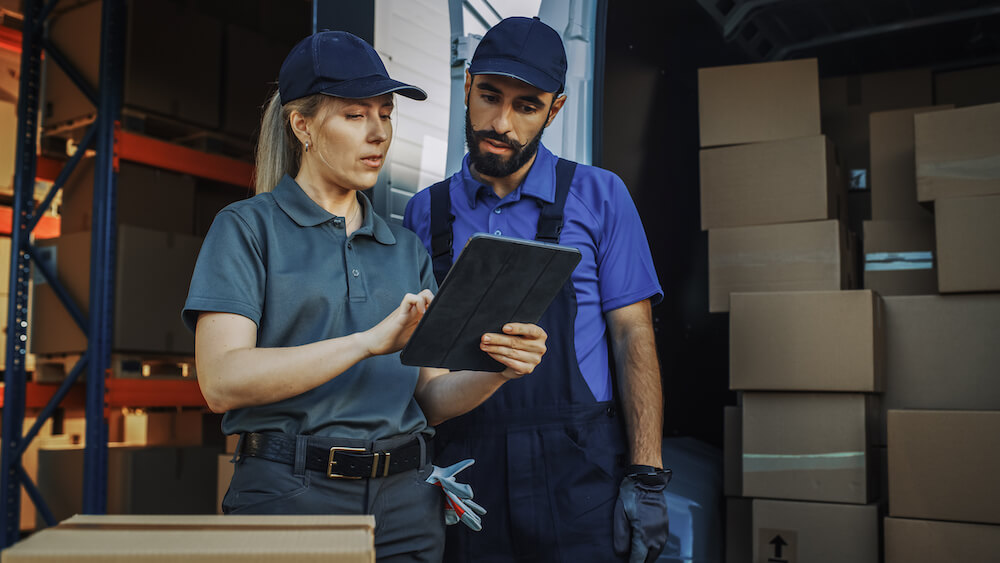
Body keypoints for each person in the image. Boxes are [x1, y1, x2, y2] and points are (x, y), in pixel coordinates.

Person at [182, 31, 547, 563]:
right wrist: (366, 343)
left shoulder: (405, 248)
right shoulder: (246, 228)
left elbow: (429, 400)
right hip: (291, 495)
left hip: (407, 503)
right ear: (301, 125)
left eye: (386, 113)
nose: (379, 134)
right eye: (355, 116)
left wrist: (500, 369)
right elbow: (221, 382)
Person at [403, 16, 670, 563]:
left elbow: (632, 337)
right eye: (489, 96)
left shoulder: (600, 196)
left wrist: (646, 474)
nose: (500, 122)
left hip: (579, 471)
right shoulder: (423, 213)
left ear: (556, 109)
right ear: (468, 85)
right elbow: (417, 372)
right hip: (466, 473)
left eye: (526, 106)